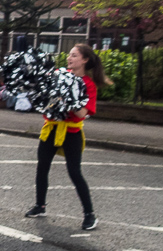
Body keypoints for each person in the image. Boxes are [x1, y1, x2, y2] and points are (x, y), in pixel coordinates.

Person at [25, 43, 109, 231]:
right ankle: (40, 205)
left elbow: (82, 114)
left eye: (74, 55)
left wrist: (68, 97)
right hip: (51, 128)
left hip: (72, 132)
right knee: (42, 167)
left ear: (85, 60)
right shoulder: (58, 75)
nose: (69, 58)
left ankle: (89, 215)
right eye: (69, 55)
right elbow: (43, 97)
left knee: (74, 172)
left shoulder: (88, 84)